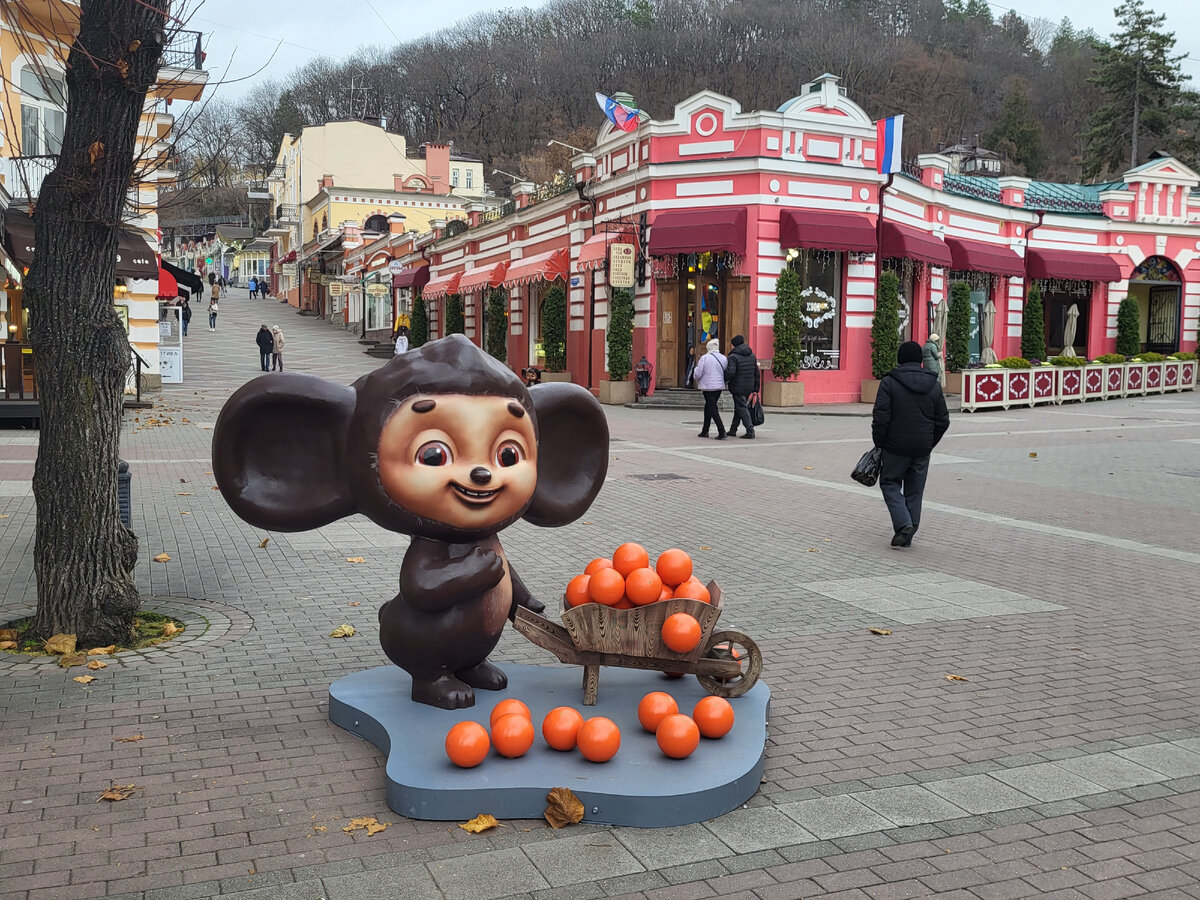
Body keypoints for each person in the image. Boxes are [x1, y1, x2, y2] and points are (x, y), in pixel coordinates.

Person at [871, 340, 950, 548]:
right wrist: (929, 442)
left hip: (895, 447)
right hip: (922, 448)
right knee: (915, 490)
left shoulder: (889, 382)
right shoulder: (933, 383)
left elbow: (880, 418)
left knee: (889, 483)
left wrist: (880, 443)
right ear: (920, 360)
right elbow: (943, 420)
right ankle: (909, 531)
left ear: (900, 359)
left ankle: (903, 523)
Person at [691, 338, 728, 439]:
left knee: (712, 408)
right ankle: (705, 430)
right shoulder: (723, 358)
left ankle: (722, 431)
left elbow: (698, 372)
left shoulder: (705, 358)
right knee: (709, 407)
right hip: (719, 386)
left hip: (708, 386)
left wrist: (695, 376)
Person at [725, 335, 760, 439]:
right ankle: (733, 429)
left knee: (741, 408)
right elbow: (756, 373)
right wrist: (755, 388)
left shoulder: (733, 357)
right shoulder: (752, 355)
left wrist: (723, 377)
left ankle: (750, 430)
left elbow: (731, 372)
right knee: (739, 407)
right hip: (749, 386)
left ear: (734, 345)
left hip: (738, 386)